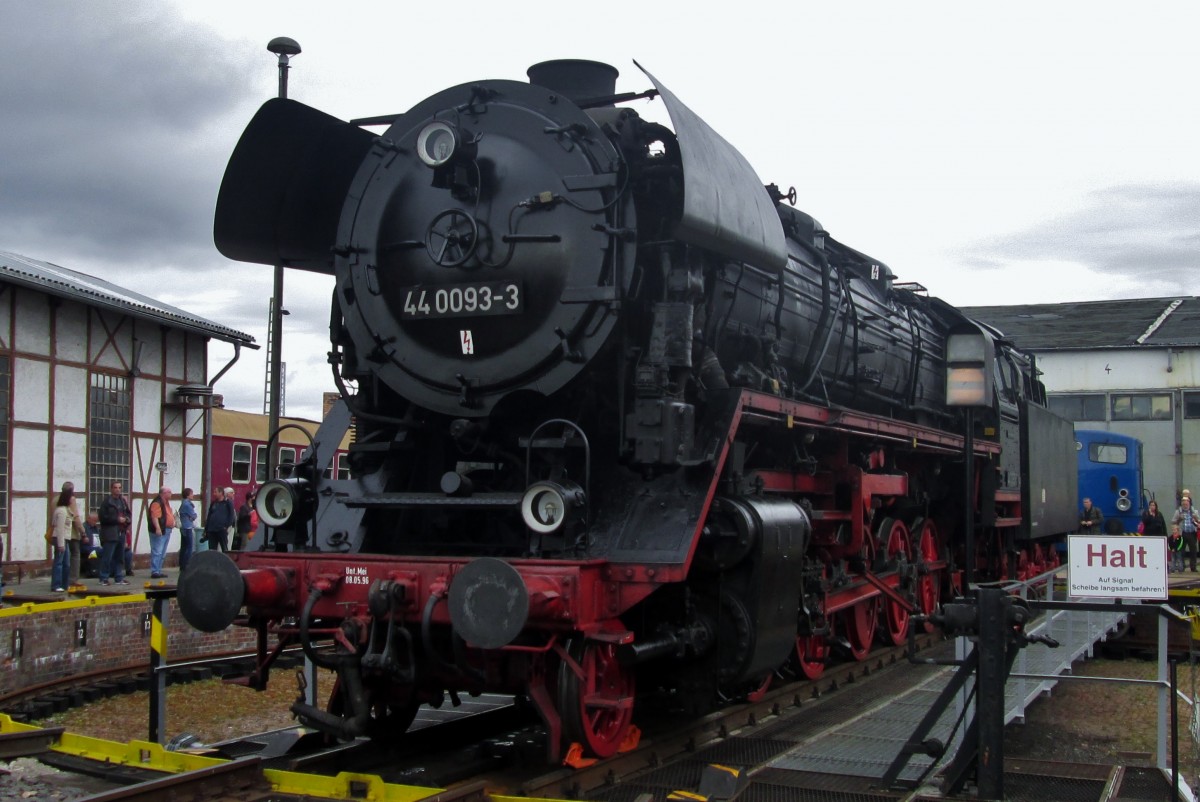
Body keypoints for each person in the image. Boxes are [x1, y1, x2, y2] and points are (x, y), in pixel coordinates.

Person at [97, 480, 132, 586]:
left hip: (121, 532)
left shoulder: (123, 501)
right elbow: (103, 517)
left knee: (120, 556)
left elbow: (128, 513)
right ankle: (103, 577)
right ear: (112, 489)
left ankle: (119, 577)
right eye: (115, 487)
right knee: (108, 556)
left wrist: (127, 519)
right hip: (110, 532)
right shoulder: (107, 502)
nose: (118, 489)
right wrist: (117, 519)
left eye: (119, 487)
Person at [48, 486, 74, 592]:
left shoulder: (66, 510)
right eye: (71, 498)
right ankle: (56, 584)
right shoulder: (61, 511)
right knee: (59, 562)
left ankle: (64, 584)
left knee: (66, 563)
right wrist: (61, 544)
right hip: (60, 538)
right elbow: (59, 528)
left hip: (65, 538)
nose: (73, 500)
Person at [146, 486, 175, 579]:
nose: (171, 494)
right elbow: (155, 516)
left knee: (162, 552)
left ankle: (158, 570)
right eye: (169, 492)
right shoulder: (157, 502)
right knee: (157, 551)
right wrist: (158, 528)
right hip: (161, 530)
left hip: (167, 530)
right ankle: (155, 571)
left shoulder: (165, 503)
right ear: (163, 493)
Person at [61, 481, 86, 585]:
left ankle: (60, 579)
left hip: (59, 532)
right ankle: (73, 579)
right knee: (75, 555)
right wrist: (83, 532)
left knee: (60, 557)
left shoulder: (55, 499)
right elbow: (75, 517)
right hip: (71, 532)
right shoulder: (71, 499)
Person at [1172, 496, 1200, 572]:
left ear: (1189, 503)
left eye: (1186, 504)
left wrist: (1196, 519)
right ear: (1181, 504)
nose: (1185, 505)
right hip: (1182, 533)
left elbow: (1199, 522)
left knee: (1193, 550)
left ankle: (1193, 567)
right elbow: (1173, 522)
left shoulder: (1194, 512)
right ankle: (1182, 566)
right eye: (1184, 504)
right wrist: (1179, 519)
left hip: (1192, 533)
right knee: (1181, 551)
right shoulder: (1178, 512)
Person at [204, 487, 233, 552]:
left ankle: (224, 561)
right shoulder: (213, 503)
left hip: (221, 529)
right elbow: (209, 515)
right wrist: (207, 528)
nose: (214, 494)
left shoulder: (227, 503)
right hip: (212, 530)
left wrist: (226, 526)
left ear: (221, 493)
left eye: (216, 492)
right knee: (212, 549)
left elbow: (231, 515)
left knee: (224, 548)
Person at [177, 488, 197, 572]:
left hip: (183, 527)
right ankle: (186, 564)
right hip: (187, 527)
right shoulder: (187, 504)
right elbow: (194, 515)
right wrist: (193, 516)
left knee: (184, 547)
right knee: (189, 547)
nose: (193, 495)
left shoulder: (183, 503)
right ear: (188, 495)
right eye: (191, 494)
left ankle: (182, 564)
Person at [82, 511, 102, 578]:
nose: (95, 522)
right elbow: (82, 539)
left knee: (106, 551)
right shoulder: (84, 527)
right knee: (94, 552)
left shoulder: (96, 528)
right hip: (87, 547)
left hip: (97, 546)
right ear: (88, 519)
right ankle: (94, 571)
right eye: (94, 520)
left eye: (96, 521)